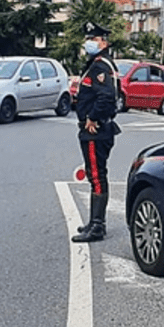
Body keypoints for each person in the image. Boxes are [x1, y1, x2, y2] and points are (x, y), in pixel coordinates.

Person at [72, 21, 121, 243]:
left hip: (96, 130)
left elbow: (107, 97)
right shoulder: (97, 63)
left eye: (93, 39)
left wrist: (92, 117)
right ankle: (94, 222)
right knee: (95, 175)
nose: (88, 43)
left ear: (103, 42)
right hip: (98, 128)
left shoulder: (101, 65)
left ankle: (98, 226)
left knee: (97, 176)